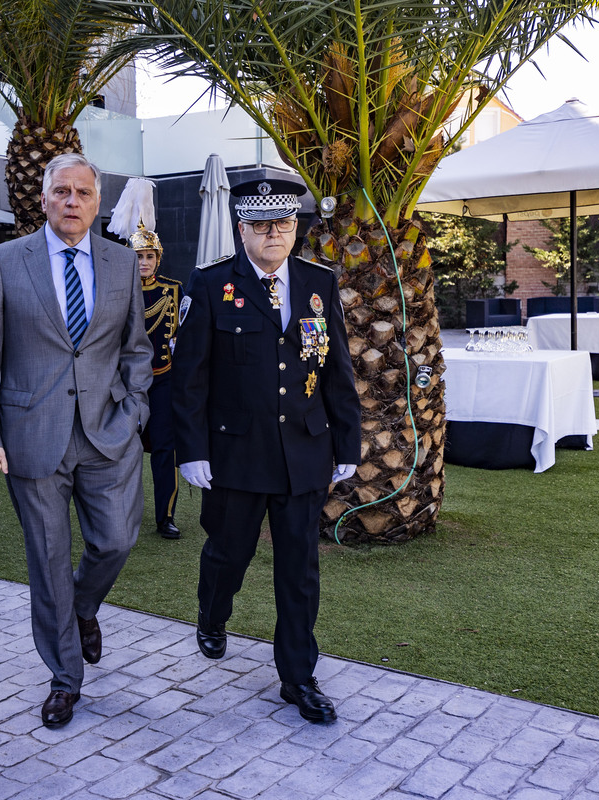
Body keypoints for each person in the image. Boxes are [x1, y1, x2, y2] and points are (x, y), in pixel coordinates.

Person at [0, 153, 153, 729]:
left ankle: (85, 606)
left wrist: (135, 408)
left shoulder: (122, 263)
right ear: (43, 199)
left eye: (84, 193)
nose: (73, 201)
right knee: (46, 563)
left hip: (107, 433)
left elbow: (136, 348)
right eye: (62, 191)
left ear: (98, 203)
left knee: (117, 539)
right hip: (31, 437)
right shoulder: (3, 261)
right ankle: (65, 678)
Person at [172, 176, 361, 724]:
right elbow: (189, 380)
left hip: (303, 452)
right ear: (242, 230)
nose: (273, 234)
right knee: (229, 553)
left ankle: (298, 677)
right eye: (260, 225)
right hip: (234, 453)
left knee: (299, 571)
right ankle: (212, 612)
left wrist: (345, 441)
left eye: (282, 224)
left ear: (296, 227)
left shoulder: (318, 283)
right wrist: (192, 451)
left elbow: (337, 373)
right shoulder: (210, 286)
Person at [107, 177, 183, 539]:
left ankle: (165, 516)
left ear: (158, 257)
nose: (144, 262)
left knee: (165, 450)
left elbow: (181, 335)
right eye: (138, 256)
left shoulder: (173, 290)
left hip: (164, 378)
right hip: (124, 382)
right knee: (124, 450)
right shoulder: (115, 290)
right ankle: (123, 514)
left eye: (150, 256)